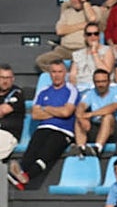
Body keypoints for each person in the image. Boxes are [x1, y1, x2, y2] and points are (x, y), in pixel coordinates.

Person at [7, 60, 77, 191]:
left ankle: (25, 177)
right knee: (30, 153)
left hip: (63, 130)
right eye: (54, 72)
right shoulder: (43, 91)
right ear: (50, 74)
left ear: (65, 73)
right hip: (43, 127)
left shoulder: (71, 90)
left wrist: (47, 108)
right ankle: (21, 175)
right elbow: (35, 114)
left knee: (46, 153)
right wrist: (57, 111)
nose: (56, 75)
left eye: (60, 72)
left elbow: (67, 112)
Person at [72, 68, 117, 157]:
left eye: (103, 81)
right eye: (98, 82)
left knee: (107, 116)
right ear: (94, 82)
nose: (101, 84)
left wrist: (90, 114)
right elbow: (81, 106)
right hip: (98, 127)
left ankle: (98, 148)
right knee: (78, 120)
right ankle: (81, 148)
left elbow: (113, 107)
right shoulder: (90, 93)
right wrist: (81, 118)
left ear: (109, 82)